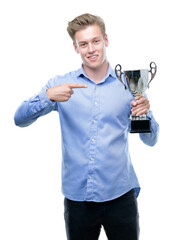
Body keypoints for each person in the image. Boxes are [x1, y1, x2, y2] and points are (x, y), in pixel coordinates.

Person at [14, 13, 159, 240]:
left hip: (121, 196)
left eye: (95, 41)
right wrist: (48, 96)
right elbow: (19, 119)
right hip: (77, 200)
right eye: (83, 44)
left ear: (106, 40)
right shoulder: (60, 84)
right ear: (76, 47)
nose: (91, 49)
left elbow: (151, 141)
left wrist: (145, 114)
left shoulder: (129, 86)